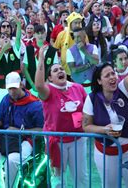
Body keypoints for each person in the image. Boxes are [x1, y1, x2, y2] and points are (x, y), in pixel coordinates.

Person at [82, 27, 128, 188]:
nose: (112, 77)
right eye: (107, 75)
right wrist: (104, 130)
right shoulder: (92, 99)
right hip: (106, 153)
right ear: (99, 81)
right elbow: (86, 126)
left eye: (113, 74)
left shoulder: (123, 89)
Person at [34, 45, 88, 188]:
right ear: (50, 77)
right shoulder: (48, 91)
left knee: (81, 177)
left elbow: (88, 110)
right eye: (55, 70)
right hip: (57, 142)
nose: (60, 71)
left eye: (61, 69)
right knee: (58, 179)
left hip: (78, 140)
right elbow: (39, 85)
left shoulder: (78, 88)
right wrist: (41, 59)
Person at [0, 72, 44, 188]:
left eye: (14, 88)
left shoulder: (35, 105)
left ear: (21, 85)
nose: (12, 92)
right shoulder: (6, 99)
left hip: (27, 139)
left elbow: (41, 129)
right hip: (8, 138)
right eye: (9, 88)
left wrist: (19, 131)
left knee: (11, 162)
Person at [67, 28, 99, 93]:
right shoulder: (69, 51)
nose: (76, 40)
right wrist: (88, 65)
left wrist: (84, 51)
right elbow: (73, 70)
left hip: (92, 86)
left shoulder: (93, 47)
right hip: (77, 88)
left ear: (84, 36)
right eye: (75, 37)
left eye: (78, 37)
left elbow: (96, 61)